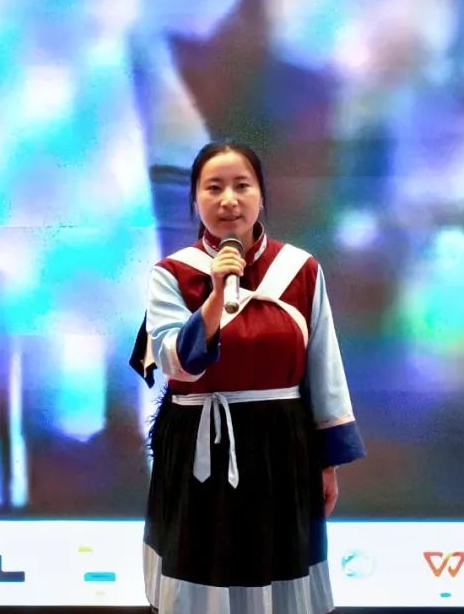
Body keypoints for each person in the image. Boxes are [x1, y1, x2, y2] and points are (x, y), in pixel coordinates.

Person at [131, 141, 365, 614]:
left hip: (281, 449)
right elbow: (175, 362)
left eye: (242, 186)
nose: (229, 200)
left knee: (278, 572)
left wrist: (328, 462)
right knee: (200, 573)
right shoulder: (171, 275)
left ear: (261, 195)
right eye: (213, 188)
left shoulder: (301, 270)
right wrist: (216, 295)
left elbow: (324, 368)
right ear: (195, 199)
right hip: (198, 447)